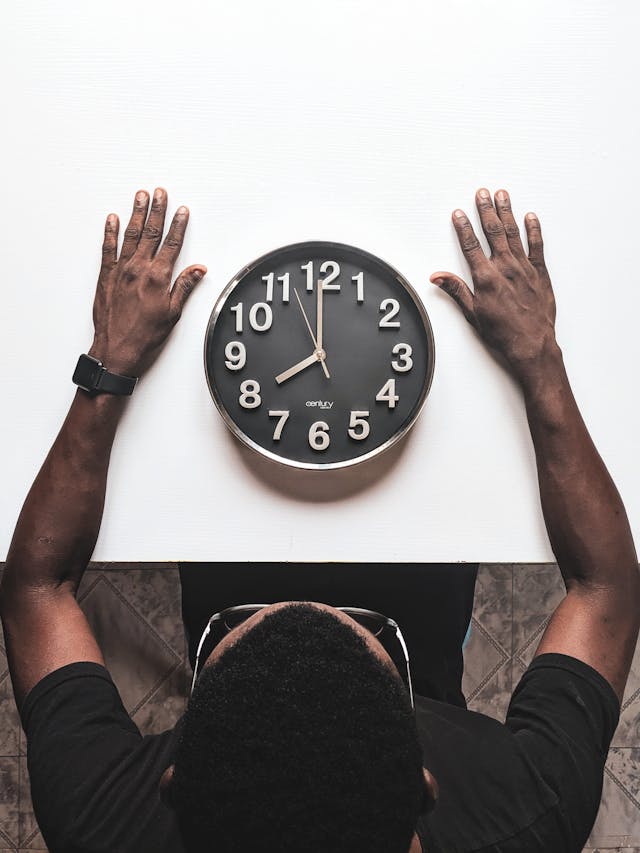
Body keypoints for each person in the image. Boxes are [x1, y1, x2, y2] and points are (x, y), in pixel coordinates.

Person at [0, 186, 637, 853]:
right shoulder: (522, 813)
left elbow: (36, 587)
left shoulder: (108, 822)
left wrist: (107, 365)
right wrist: (540, 359)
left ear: (170, 782)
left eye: (250, 633)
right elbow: (606, 585)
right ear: (426, 788)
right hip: (426, 620)